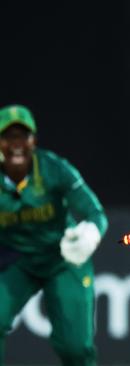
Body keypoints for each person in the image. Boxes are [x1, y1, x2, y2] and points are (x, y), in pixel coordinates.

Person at [0, 105, 108, 366]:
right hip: (17, 261)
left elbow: (95, 213)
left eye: (22, 137)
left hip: (62, 258)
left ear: (33, 141)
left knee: (75, 349)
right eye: (8, 138)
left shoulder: (54, 169)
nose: (16, 145)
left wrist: (89, 236)